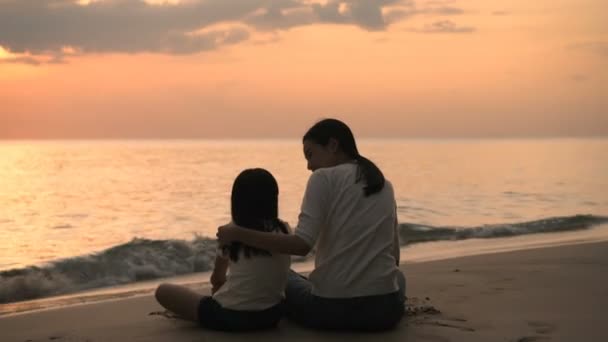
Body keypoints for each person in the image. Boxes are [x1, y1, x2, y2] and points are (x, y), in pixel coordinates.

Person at [217, 118, 406, 331]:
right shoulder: (383, 184)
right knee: (397, 277)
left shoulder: (323, 178)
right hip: (386, 312)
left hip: (333, 312)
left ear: (333, 146)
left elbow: (301, 245)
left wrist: (237, 233)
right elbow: (394, 257)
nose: (309, 166)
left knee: (284, 277)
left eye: (310, 154)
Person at [155, 168, 291, 331]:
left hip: (231, 318)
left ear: (237, 202)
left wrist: (220, 296)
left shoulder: (231, 233)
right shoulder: (285, 230)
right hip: (272, 316)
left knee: (163, 291)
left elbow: (217, 279)